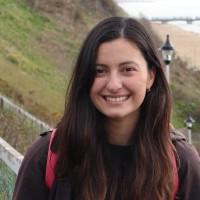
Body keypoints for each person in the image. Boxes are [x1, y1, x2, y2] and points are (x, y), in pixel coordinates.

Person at [13, 17, 200, 200]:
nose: (113, 84)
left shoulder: (182, 164)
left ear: (151, 76)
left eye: (127, 69)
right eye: (100, 71)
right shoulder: (48, 156)